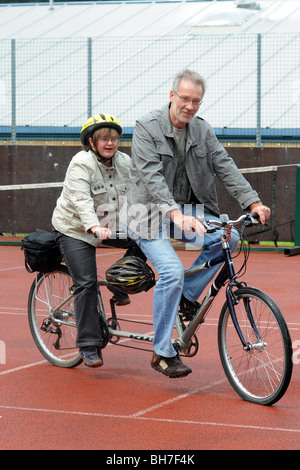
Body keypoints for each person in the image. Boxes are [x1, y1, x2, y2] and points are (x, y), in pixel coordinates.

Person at [121, 69, 271, 379]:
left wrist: (252, 202)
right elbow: (150, 178)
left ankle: (188, 296)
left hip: (189, 210)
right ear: (172, 95)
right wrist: (175, 213)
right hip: (147, 213)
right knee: (172, 271)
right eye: (185, 99)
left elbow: (225, 166)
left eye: (196, 102)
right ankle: (162, 352)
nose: (190, 106)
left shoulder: (202, 131)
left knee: (229, 239)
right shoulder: (146, 127)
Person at [52, 113, 145, 369]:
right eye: (104, 138)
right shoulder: (81, 163)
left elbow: (140, 190)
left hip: (109, 224)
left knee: (145, 240)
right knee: (86, 283)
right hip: (76, 229)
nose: (110, 143)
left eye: (114, 138)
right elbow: (81, 199)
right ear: (91, 142)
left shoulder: (124, 161)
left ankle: (118, 283)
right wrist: (93, 225)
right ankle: (88, 344)